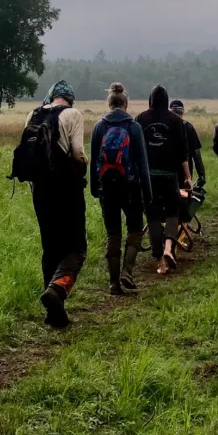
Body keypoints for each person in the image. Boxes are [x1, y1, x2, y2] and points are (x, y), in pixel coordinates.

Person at [27, 81, 88, 328]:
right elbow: (78, 154)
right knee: (76, 246)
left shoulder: (33, 114)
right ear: (70, 99)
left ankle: (54, 315)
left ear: (51, 96)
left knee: (50, 247)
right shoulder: (73, 115)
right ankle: (57, 290)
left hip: (40, 191)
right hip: (66, 190)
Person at [90, 83, 152, 294]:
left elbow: (93, 162)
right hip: (131, 186)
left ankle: (113, 282)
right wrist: (147, 191)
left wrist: (94, 187)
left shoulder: (100, 126)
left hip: (107, 187)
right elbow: (142, 164)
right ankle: (127, 271)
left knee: (113, 233)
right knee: (135, 229)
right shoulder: (134, 127)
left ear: (109, 104)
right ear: (126, 103)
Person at [136, 86, 192, 275]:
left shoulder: (141, 119)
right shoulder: (175, 120)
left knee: (152, 216)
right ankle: (169, 248)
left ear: (150, 99)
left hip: (148, 177)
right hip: (169, 175)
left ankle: (160, 261)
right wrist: (188, 177)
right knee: (172, 213)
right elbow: (183, 153)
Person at [169, 100, 206, 188]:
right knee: (184, 196)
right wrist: (201, 175)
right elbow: (196, 155)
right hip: (185, 171)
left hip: (168, 170)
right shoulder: (189, 127)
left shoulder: (165, 126)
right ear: (183, 112)